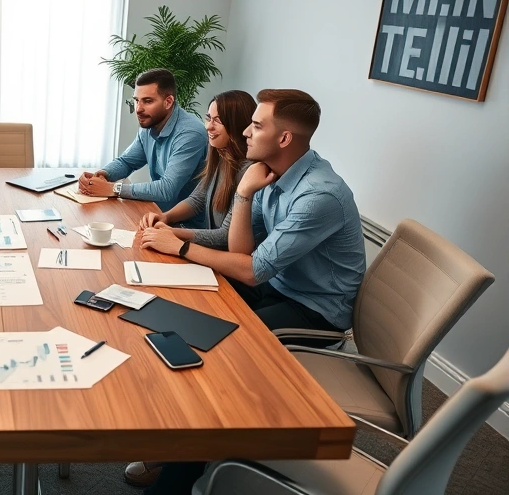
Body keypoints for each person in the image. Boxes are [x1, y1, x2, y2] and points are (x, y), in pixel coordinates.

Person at [132, 90, 366, 494]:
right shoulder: (268, 171)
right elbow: (238, 249)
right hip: (278, 287)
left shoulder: (318, 194)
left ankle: (176, 478)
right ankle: (176, 442)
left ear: (285, 138)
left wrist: (183, 245)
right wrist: (243, 194)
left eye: (257, 125)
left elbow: (253, 270)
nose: (245, 131)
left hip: (312, 314)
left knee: (215, 355)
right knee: (178, 311)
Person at [79, 68, 208, 217]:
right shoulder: (150, 124)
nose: (138, 109)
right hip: (155, 213)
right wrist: (102, 175)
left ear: (168, 102)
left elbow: (167, 189)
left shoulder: (190, 133)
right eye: (136, 100)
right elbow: (126, 162)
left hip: (185, 225)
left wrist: (114, 188)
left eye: (147, 101)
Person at [138, 90, 256, 251]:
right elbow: (198, 199)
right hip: (209, 251)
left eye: (218, 120)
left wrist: (173, 233)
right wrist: (166, 217)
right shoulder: (220, 155)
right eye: (208, 118)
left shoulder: (249, 171)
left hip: (222, 260)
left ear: (237, 124)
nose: (208, 126)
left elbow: (225, 236)